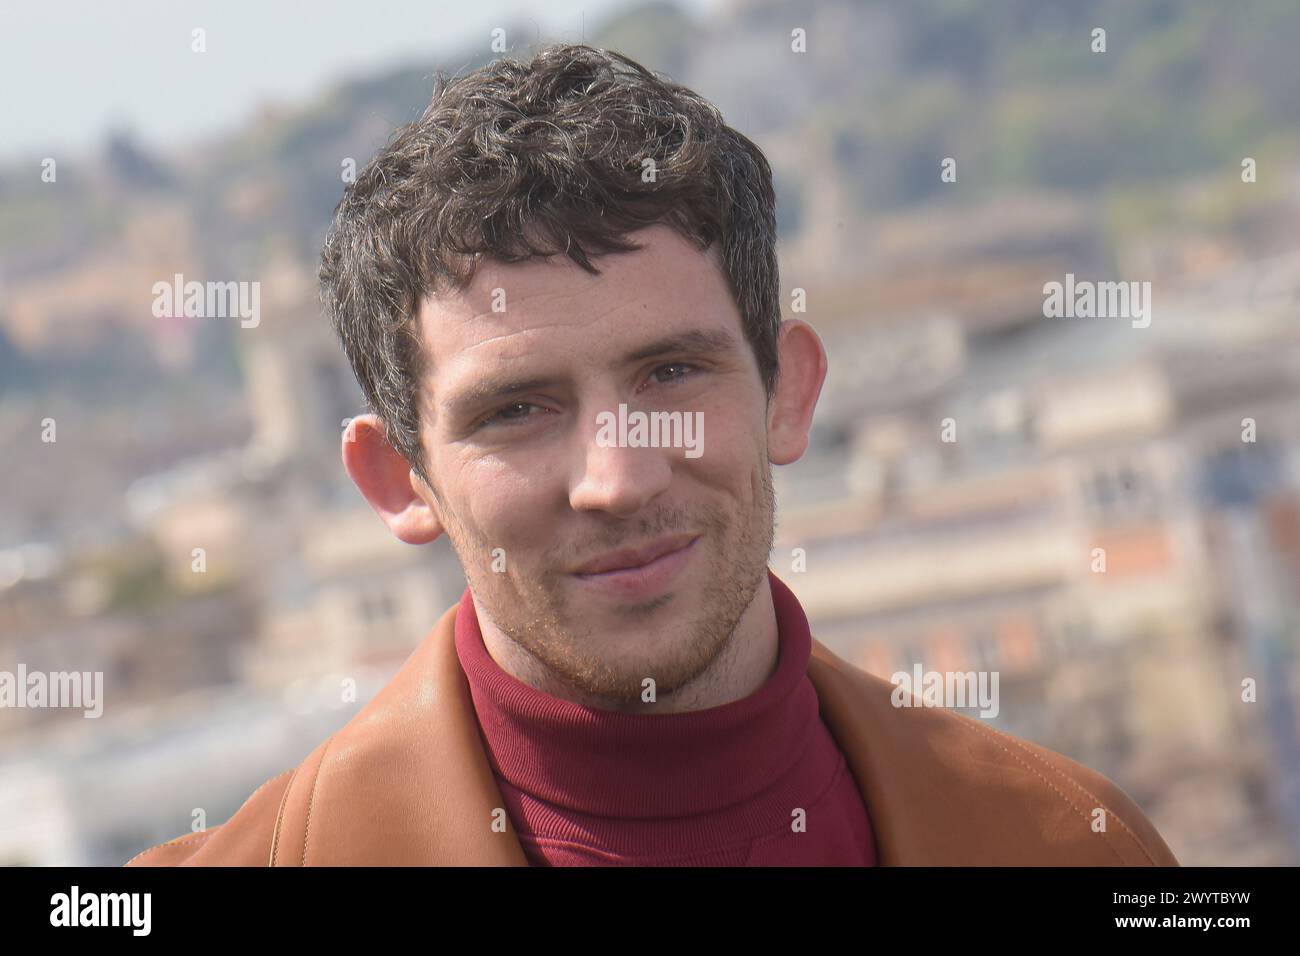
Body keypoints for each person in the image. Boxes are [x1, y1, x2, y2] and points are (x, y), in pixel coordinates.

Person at [126, 43, 1178, 867]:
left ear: (787, 391)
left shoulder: (1071, 842)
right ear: (398, 479)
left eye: (671, 373)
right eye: (517, 410)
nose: (618, 476)